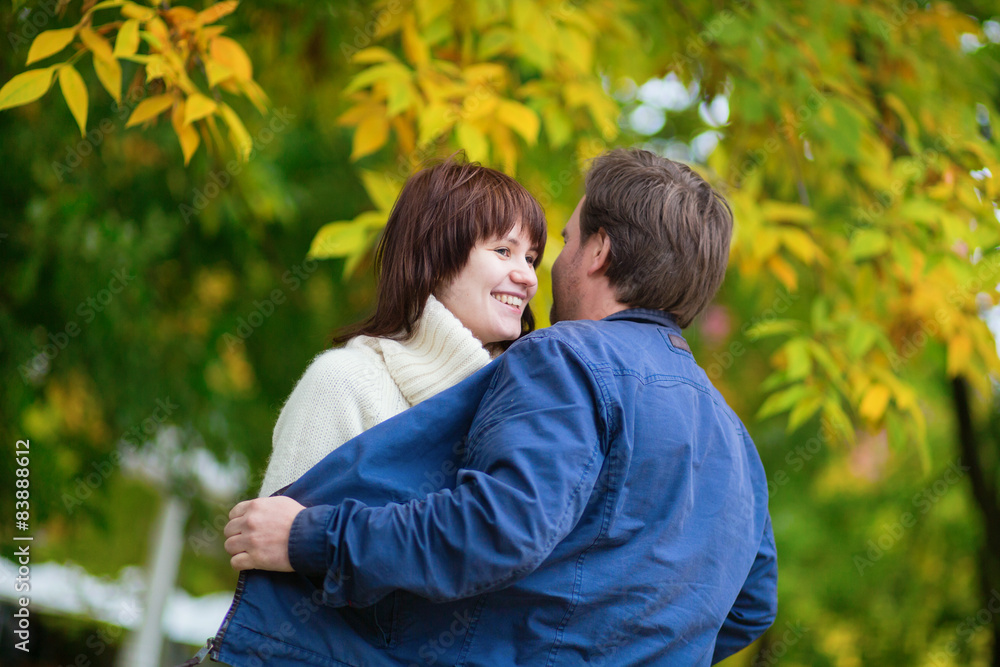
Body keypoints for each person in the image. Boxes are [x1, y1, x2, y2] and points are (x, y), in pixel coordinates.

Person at [208, 148, 777, 666]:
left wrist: (314, 538)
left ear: (600, 251)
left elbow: (496, 531)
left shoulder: (565, 357)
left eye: (565, 242)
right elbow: (750, 604)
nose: (539, 273)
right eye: (506, 251)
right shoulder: (734, 438)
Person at [258, 157, 545, 497]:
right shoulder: (343, 384)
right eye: (503, 250)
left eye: (530, 258)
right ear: (436, 259)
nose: (528, 278)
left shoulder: (524, 399)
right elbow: (268, 543)